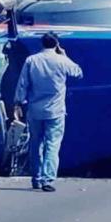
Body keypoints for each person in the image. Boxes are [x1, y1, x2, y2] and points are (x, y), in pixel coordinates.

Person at [14, 32, 83, 192]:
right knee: (52, 144)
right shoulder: (61, 60)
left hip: (35, 110)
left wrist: (18, 102)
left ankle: (36, 178)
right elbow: (78, 72)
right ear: (56, 44)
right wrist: (65, 55)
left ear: (42, 44)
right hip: (55, 110)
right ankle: (47, 179)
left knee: (35, 143)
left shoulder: (31, 60)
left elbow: (22, 83)